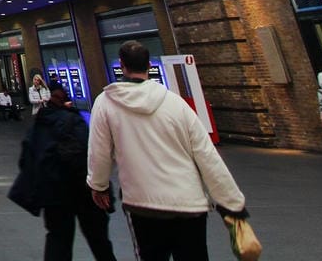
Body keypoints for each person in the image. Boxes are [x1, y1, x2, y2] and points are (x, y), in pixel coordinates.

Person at [88, 40, 247, 261]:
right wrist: (232, 204)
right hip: (188, 203)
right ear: (150, 65)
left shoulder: (106, 104)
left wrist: (99, 186)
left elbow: (99, 153)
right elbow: (206, 155)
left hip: (143, 204)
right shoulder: (176, 103)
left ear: (121, 65)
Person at [20, 82, 116, 261]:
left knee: (58, 240)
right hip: (85, 192)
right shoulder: (77, 121)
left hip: (55, 194)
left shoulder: (40, 125)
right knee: (99, 241)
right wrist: (102, 187)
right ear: (67, 101)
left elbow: (26, 160)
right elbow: (96, 155)